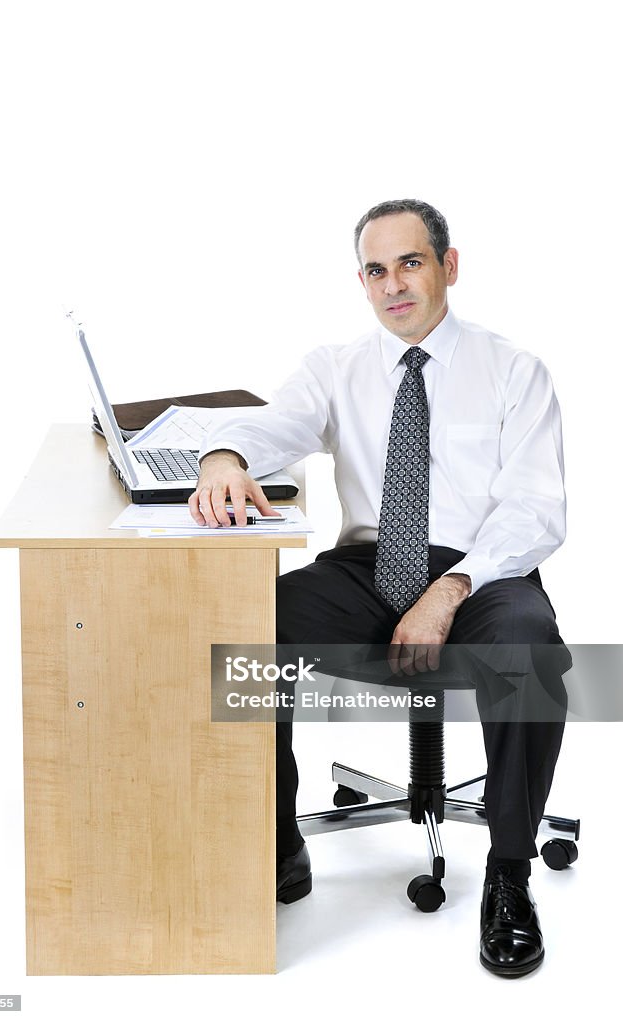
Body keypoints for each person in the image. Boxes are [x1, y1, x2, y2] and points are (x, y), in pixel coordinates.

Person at [189, 199, 569, 977]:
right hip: (367, 568)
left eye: (411, 263)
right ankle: (276, 845)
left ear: (448, 267)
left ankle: (509, 873)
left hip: (481, 570)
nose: (393, 284)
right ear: (361, 283)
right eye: (375, 269)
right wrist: (224, 456)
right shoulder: (337, 367)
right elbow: (277, 425)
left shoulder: (513, 371)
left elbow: (535, 508)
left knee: (532, 653)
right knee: (244, 637)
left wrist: (451, 587)